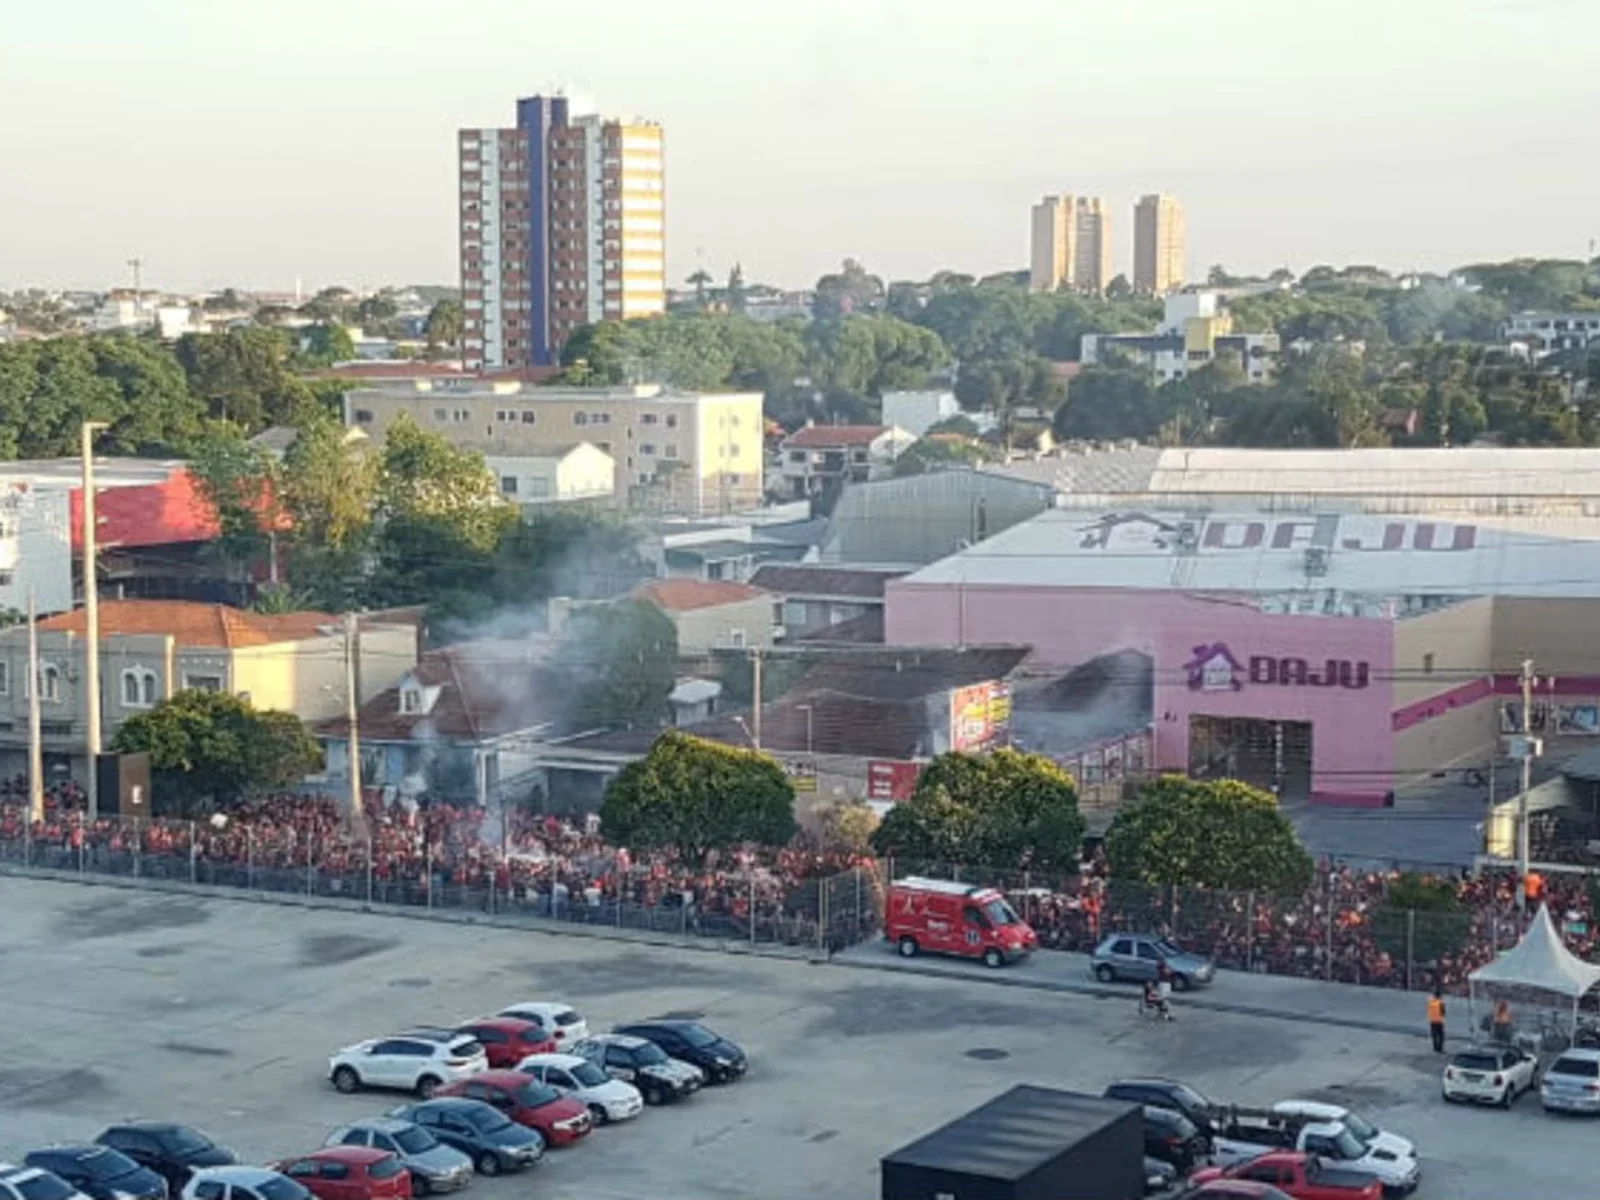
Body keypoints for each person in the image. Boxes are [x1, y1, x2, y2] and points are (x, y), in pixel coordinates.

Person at [1427, 987, 1446, 1053]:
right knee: (1441, 1036)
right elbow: (1443, 1012)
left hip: (1432, 1020)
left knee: (1434, 1035)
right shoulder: (1441, 1002)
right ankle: (1440, 1048)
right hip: (1439, 1021)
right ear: (1439, 995)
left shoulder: (1430, 1001)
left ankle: (1435, 1048)